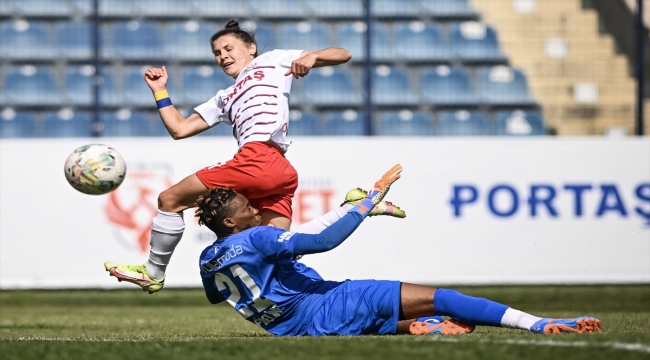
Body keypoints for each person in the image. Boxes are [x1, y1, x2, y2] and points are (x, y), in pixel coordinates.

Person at [104, 20, 401, 292]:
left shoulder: (272, 61)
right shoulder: (224, 97)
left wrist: (313, 56)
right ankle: (355, 207)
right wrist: (159, 91)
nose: (222, 56)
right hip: (278, 171)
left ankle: (154, 272)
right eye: (217, 53)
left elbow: (343, 53)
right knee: (277, 249)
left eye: (228, 48)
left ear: (251, 48)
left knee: (169, 200)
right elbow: (179, 129)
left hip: (259, 158)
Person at [196, 165, 602, 336]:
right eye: (248, 208)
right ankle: (538, 323)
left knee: (408, 316)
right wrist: (368, 201)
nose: (256, 209)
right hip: (325, 303)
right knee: (444, 297)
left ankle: (427, 328)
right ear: (230, 222)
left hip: (294, 329)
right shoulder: (257, 237)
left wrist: (347, 211)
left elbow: (219, 297)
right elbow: (322, 242)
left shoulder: (209, 259)